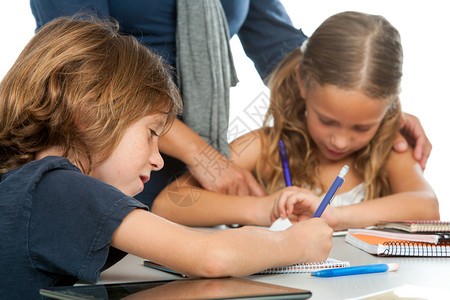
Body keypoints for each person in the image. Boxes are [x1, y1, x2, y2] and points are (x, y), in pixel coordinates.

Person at [0, 17, 333, 299]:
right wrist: (295, 244)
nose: (158, 160)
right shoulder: (55, 188)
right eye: (150, 133)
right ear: (89, 114)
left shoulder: (27, 186)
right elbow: (211, 257)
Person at [29, 0, 432, 209]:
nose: (343, 140)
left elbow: (284, 51)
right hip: (104, 154)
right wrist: (200, 154)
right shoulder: (254, 148)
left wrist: (373, 109)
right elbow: (81, 66)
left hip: (189, 174)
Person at [152, 11, 440, 229]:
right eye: (327, 120)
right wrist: (264, 209)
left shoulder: (390, 148)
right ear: (302, 84)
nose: (339, 140)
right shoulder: (266, 145)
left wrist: (335, 217)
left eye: (362, 127)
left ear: (388, 108)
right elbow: (169, 204)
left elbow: (427, 207)